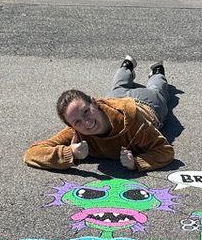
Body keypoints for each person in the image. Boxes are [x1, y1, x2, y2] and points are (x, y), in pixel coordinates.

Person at [23, 56, 175, 172]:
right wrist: (70, 152)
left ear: (94, 103)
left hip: (146, 104)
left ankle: (156, 71)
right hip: (115, 98)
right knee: (119, 87)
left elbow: (165, 151)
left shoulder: (133, 122)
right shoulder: (76, 132)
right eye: (77, 122)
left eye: (86, 112)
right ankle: (127, 65)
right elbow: (32, 153)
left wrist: (136, 162)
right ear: (71, 126)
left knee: (157, 90)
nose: (86, 122)